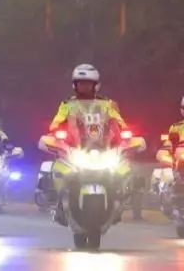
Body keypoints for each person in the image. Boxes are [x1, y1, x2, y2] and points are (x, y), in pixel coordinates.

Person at [47, 64, 129, 226]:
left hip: (103, 148)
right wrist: (56, 131)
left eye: (88, 84)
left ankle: (120, 201)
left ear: (95, 85)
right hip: (75, 149)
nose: (84, 87)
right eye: (81, 83)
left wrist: (124, 132)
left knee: (123, 169)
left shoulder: (107, 104)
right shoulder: (67, 104)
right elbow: (55, 123)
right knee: (58, 169)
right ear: (75, 85)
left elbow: (119, 122)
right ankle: (58, 203)